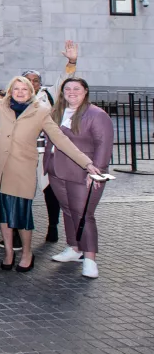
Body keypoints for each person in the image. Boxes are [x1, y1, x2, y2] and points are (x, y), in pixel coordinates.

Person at [0, 45, 100, 272]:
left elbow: (61, 140)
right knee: (4, 218)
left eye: (24, 89)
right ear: (10, 90)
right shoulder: (2, 105)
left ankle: (27, 253)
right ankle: (9, 252)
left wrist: (87, 163)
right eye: (16, 88)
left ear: (31, 91)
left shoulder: (41, 112)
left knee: (21, 218)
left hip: (22, 172)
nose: (19, 92)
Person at [44, 78, 114, 278]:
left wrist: (97, 173)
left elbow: (104, 145)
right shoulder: (56, 112)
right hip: (56, 171)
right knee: (67, 211)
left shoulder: (96, 115)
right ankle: (74, 248)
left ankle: (90, 258)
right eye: (67, 89)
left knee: (84, 214)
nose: (71, 92)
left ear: (85, 91)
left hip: (83, 174)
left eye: (76, 89)